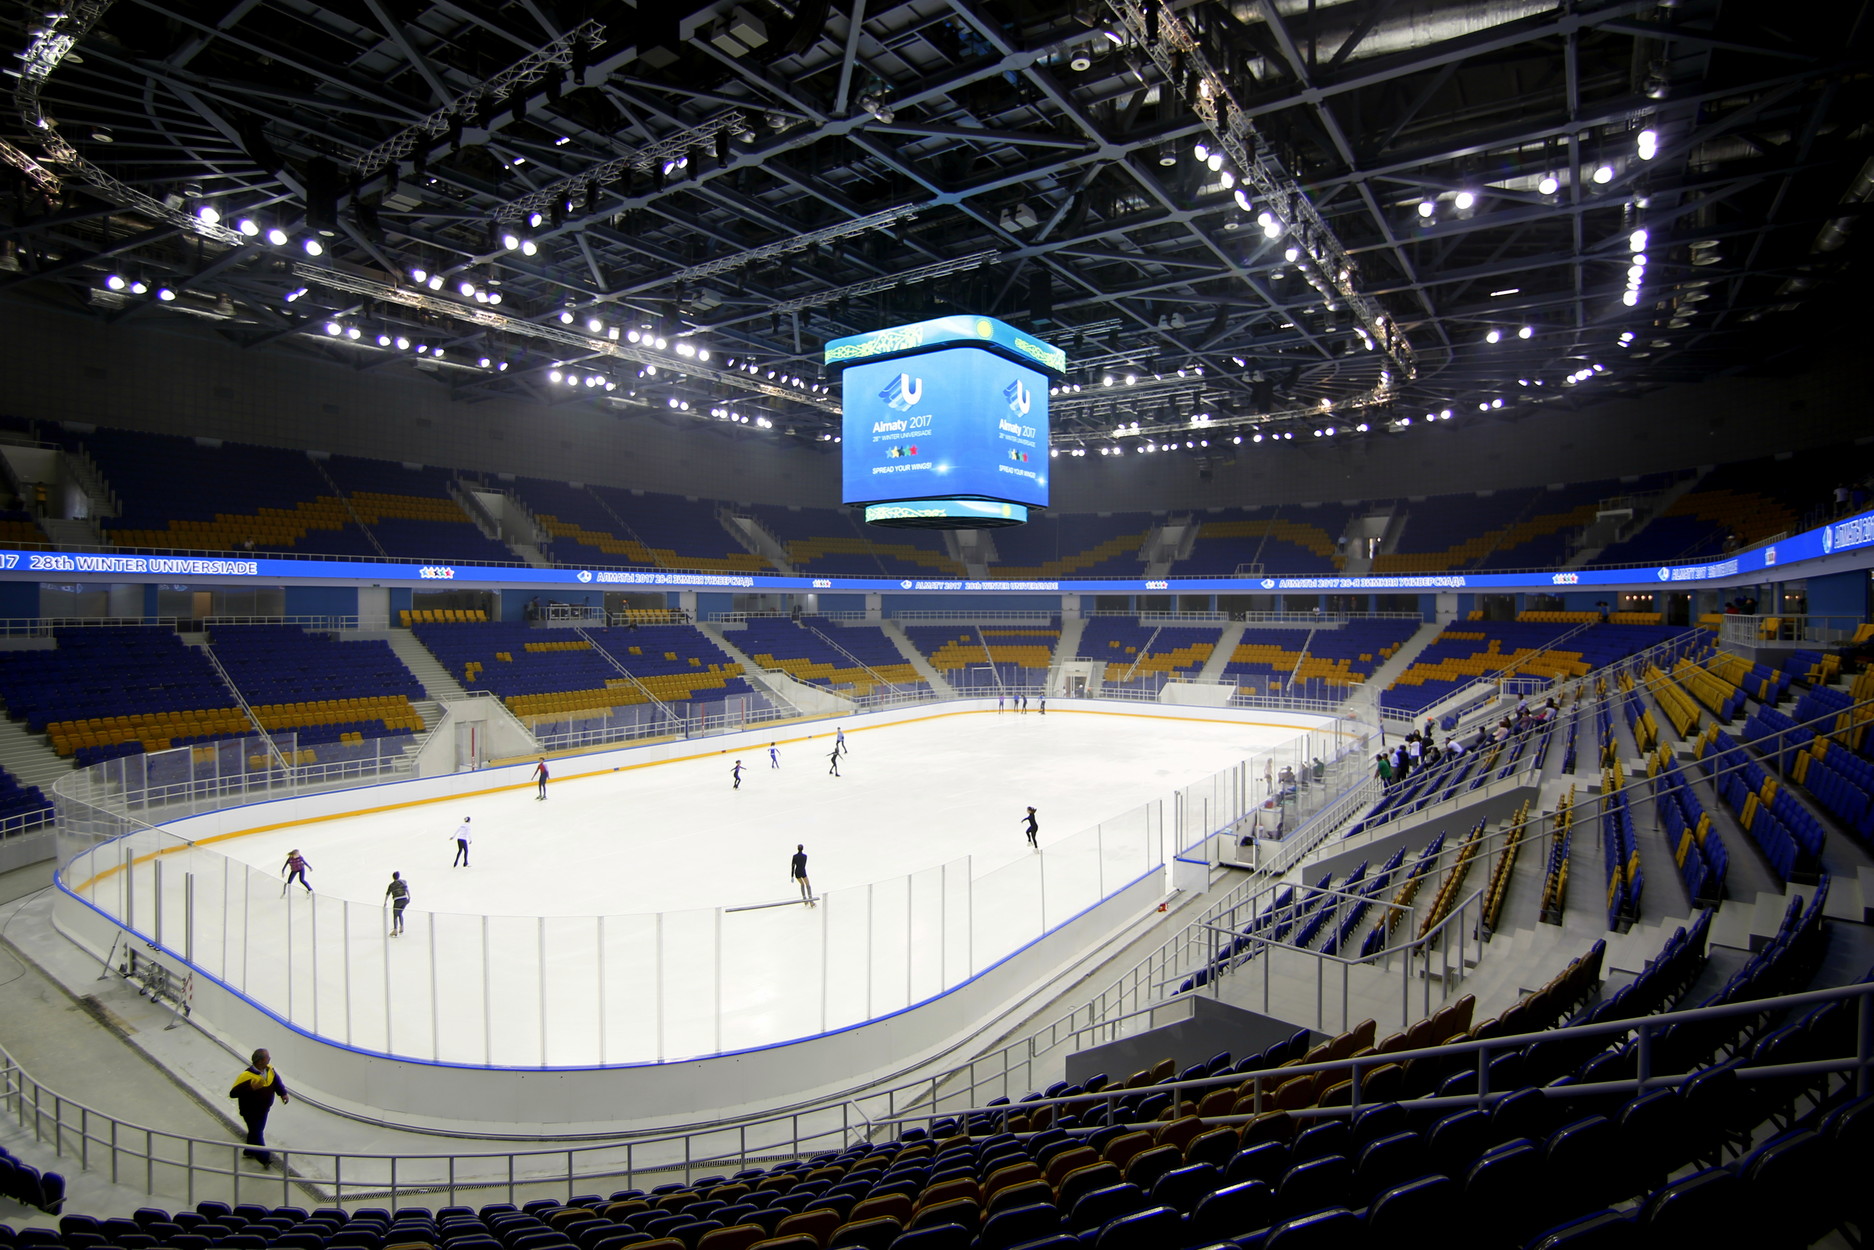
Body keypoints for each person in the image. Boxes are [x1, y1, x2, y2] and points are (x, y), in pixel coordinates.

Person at [229, 1048, 289, 1167]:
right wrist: (251, 1088)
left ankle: (249, 1150)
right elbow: (233, 1093)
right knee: (257, 1133)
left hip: (264, 1109)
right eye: (267, 1057)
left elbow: (277, 1082)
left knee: (255, 1132)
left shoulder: (270, 1070)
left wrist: (283, 1093)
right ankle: (264, 1158)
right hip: (250, 1111)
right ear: (260, 1061)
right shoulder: (246, 1076)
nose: (269, 1059)